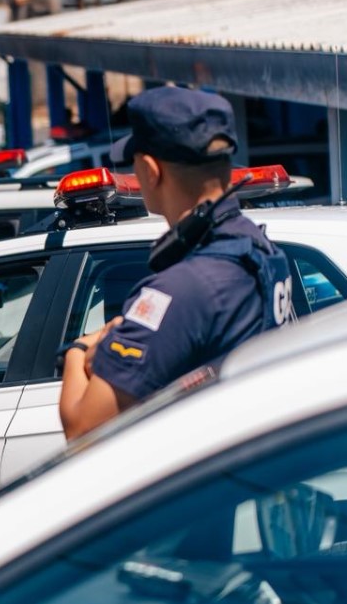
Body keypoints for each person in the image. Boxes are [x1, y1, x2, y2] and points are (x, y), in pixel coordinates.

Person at [59, 86, 293, 440]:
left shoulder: (182, 289)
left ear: (151, 171)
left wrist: (80, 350)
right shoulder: (259, 247)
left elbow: (82, 429)